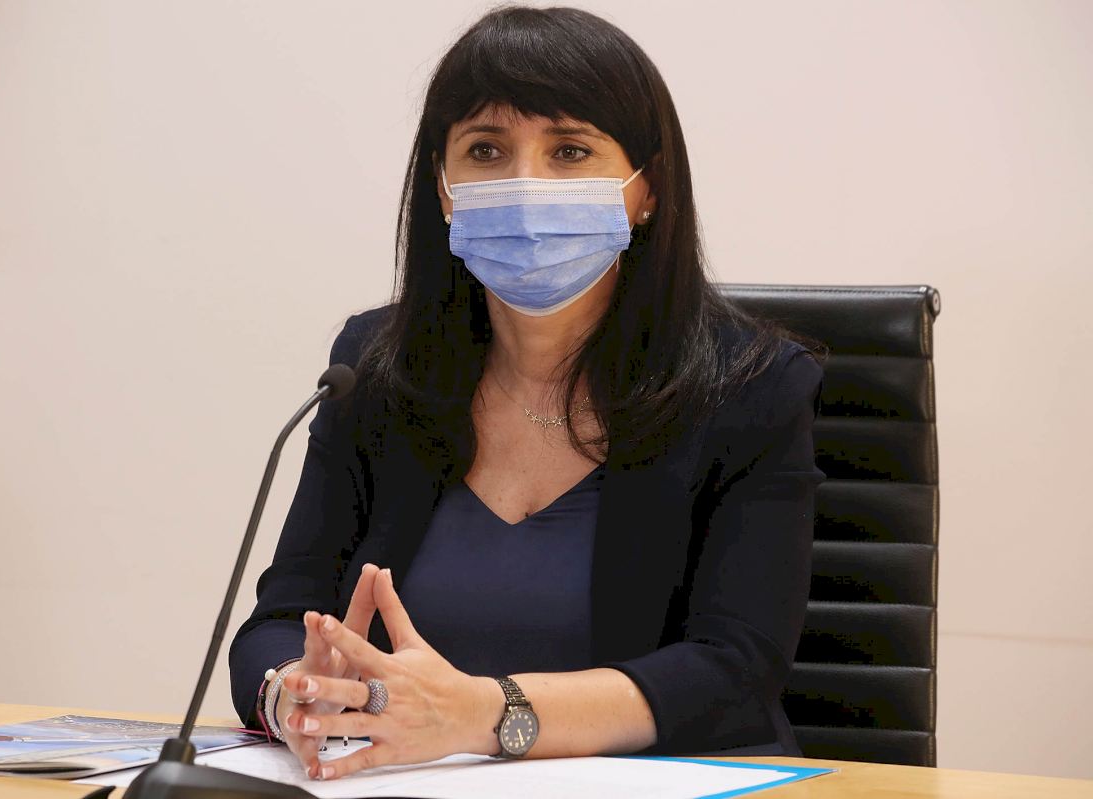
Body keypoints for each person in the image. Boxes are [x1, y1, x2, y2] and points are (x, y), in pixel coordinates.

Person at [228, 4, 826, 782]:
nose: (525, 184)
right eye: (486, 150)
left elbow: (734, 668)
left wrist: (484, 712)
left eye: (570, 150)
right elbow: (279, 619)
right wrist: (294, 696)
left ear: (646, 189)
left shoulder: (753, 385)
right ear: (444, 189)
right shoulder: (373, 371)